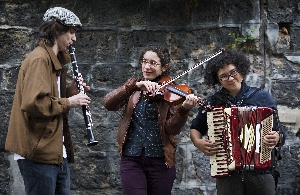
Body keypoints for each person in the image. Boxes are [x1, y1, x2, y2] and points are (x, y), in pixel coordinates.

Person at [5, 7, 91, 195]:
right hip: (38, 152)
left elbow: (51, 100)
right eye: (71, 32)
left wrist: (69, 92)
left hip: (55, 151)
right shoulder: (40, 59)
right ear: (56, 30)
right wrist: (70, 102)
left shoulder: (53, 61)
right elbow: (34, 103)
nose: (74, 38)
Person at [103, 43, 198, 195]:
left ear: (164, 67)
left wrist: (183, 110)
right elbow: (108, 103)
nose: (147, 66)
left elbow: (171, 129)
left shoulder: (170, 92)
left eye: (153, 63)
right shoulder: (133, 88)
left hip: (161, 161)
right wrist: (132, 86)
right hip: (132, 159)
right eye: (144, 61)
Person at [190, 49, 285, 195]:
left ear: (240, 70)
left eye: (233, 72)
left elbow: (280, 130)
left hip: (261, 174)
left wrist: (278, 137)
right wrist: (198, 142)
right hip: (227, 175)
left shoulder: (262, 97)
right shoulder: (213, 102)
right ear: (218, 80)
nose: (230, 78)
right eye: (223, 76)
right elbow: (196, 127)